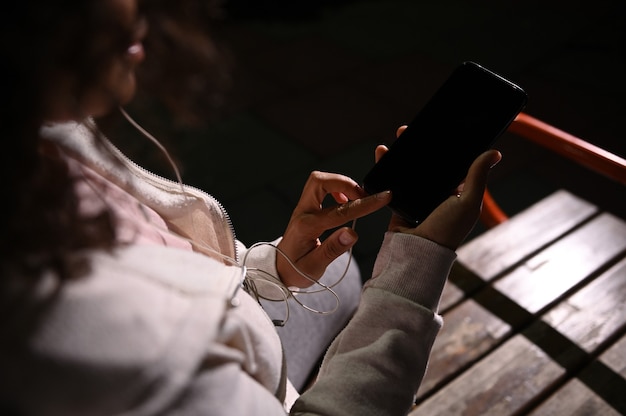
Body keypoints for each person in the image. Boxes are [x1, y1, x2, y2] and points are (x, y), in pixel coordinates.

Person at [0, 0, 502, 415]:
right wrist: (418, 265)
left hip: (236, 349)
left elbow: (173, 268)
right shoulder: (118, 343)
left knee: (342, 271)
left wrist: (271, 270)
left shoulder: (48, 134)